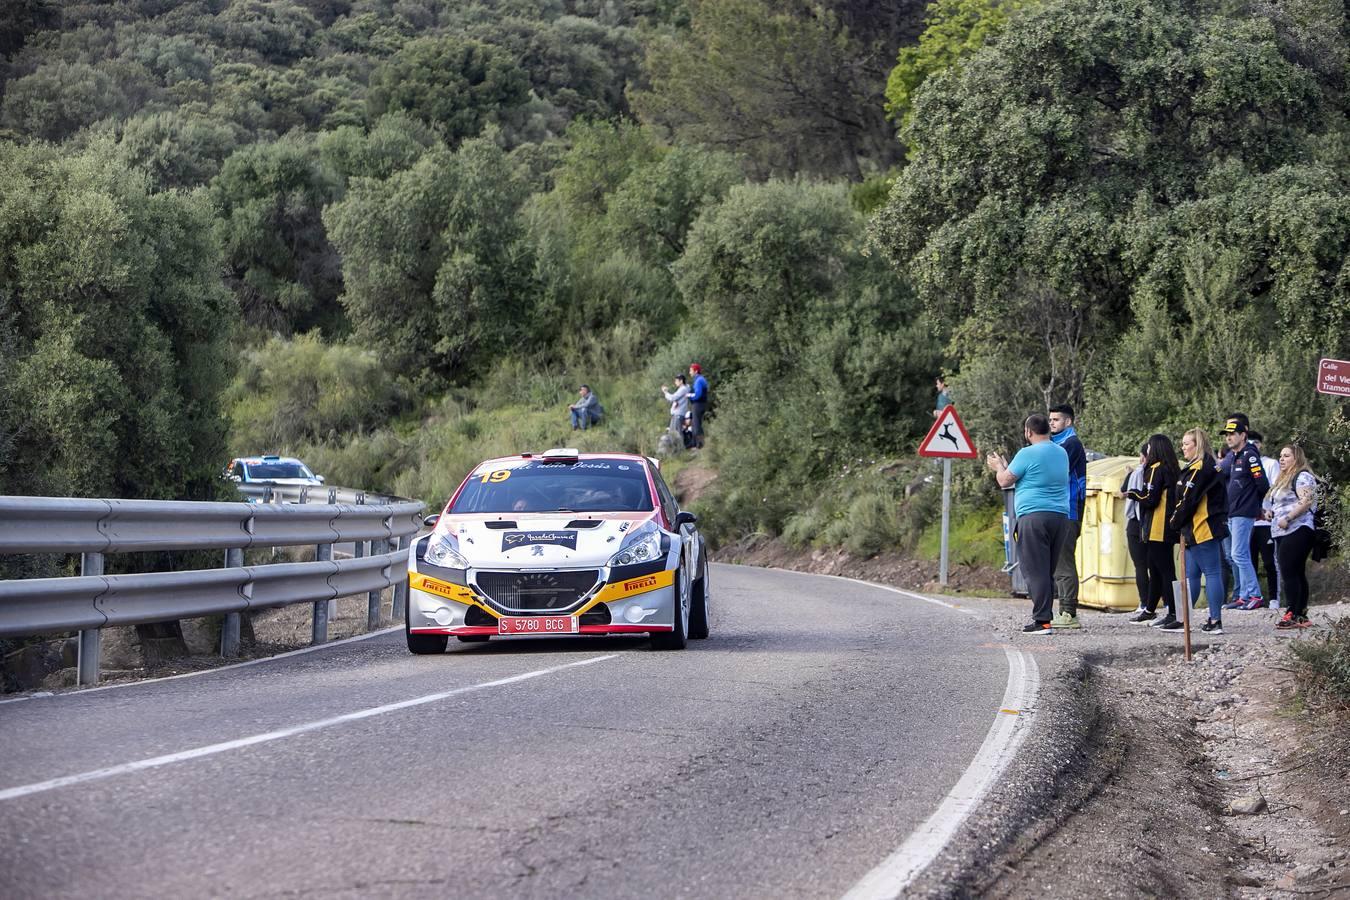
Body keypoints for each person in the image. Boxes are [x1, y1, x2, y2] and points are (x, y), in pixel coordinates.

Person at [986, 413, 1070, 635]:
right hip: (1060, 517)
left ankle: (1042, 621)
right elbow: (1037, 474)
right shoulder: (1061, 452)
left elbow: (1005, 481)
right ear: (1048, 430)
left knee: (1035, 570)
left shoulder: (1026, 453)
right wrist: (1007, 466)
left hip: (1033, 517)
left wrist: (998, 467)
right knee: (1048, 569)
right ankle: (1045, 617)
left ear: (1028, 432)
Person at [1171, 428, 1230, 635]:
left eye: (1187, 443)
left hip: (1202, 526)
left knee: (1212, 572)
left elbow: (1188, 500)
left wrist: (1173, 522)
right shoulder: (1200, 465)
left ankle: (1215, 620)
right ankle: (1183, 619)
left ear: (1198, 445)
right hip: (1192, 528)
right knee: (1191, 575)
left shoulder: (1201, 467)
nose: (1183, 447)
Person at [1125, 434, 1181, 630]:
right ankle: (1150, 609)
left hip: (1158, 527)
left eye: (1148, 448)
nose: (1146, 452)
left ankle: (1175, 613)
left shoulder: (1156, 469)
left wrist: (1132, 493)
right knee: (1156, 569)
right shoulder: (1172, 468)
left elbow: (1150, 499)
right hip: (1166, 526)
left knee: (1165, 571)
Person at [1218, 415, 1270, 609]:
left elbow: (1262, 484)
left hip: (1244, 511)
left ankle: (1255, 595)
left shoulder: (1250, 454)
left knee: (1238, 554)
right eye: (1227, 435)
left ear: (1243, 435)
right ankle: (1243, 595)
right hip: (1232, 512)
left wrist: (1254, 505)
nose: (1228, 438)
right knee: (1236, 555)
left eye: (1232, 434)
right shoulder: (1234, 456)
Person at [1266, 445, 1318, 629]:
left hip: (1298, 529)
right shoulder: (1283, 479)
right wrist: (1271, 513)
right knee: (1296, 571)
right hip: (1284, 531)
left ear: (1296, 458)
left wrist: (1288, 517)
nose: (1281, 459)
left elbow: (1307, 500)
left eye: (1286, 456)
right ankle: (1301, 614)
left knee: (1288, 571)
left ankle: (1292, 613)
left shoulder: (1302, 476)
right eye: (1280, 455)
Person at [1048, 404, 1087, 629]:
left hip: (1069, 509)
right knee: (1059, 562)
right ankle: (1064, 610)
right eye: (1050, 419)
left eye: (1056, 420)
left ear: (1068, 421)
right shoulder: (1058, 443)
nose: (1052, 423)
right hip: (1061, 508)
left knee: (1064, 561)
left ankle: (1069, 613)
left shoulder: (1071, 444)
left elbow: (1057, 470)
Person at [1247, 431, 1281, 608]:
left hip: (1265, 519)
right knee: (1249, 560)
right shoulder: (1243, 461)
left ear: (1260, 445)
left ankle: (1274, 597)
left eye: (1256, 443)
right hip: (1247, 519)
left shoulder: (1270, 464)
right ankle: (1253, 596)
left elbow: (1274, 488)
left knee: (1269, 561)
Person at [1117, 449, 1150, 615]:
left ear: (1143, 456)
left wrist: (1129, 475)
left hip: (1135, 524)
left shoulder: (1134, 474)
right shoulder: (1160, 472)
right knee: (1158, 566)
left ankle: (1144, 603)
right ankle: (1165, 603)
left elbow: (1122, 494)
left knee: (1140, 566)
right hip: (1152, 523)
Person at [688, 363, 710, 448]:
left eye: (691, 370)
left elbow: (698, 394)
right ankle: (697, 442)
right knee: (696, 423)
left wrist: (689, 396)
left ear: (696, 371)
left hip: (698, 404)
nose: (689, 372)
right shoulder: (700, 379)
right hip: (701, 403)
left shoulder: (699, 380)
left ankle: (700, 444)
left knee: (696, 423)